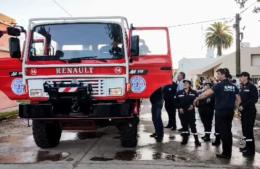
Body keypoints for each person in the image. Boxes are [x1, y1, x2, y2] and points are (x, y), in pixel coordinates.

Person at [194, 68, 241, 159]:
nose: (217, 76)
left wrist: (197, 98)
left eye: (219, 74)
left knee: (224, 133)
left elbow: (206, 94)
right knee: (228, 132)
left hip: (221, 112)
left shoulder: (219, 85)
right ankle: (228, 152)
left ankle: (226, 154)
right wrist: (235, 108)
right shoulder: (233, 86)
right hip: (229, 112)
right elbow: (238, 99)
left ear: (224, 75)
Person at [238, 72, 258, 157]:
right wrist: (239, 107)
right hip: (243, 112)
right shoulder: (243, 87)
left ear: (246, 77)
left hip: (250, 112)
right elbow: (241, 99)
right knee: (245, 130)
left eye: (241, 77)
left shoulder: (252, 87)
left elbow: (254, 99)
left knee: (249, 131)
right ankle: (246, 147)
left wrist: (243, 106)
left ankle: (251, 150)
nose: (240, 79)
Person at [176, 80, 201, 146]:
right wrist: (179, 108)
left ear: (190, 85)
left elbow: (197, 100)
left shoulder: (194, 92)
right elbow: (176, 102)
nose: (185, 84)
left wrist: (193, 105)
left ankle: (196, 140)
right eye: (184, 83)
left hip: (190, 112)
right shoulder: (179, 92)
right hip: (182, 112)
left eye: (186, 83)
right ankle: (185, 139)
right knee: (184, 126)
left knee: (193, 126)